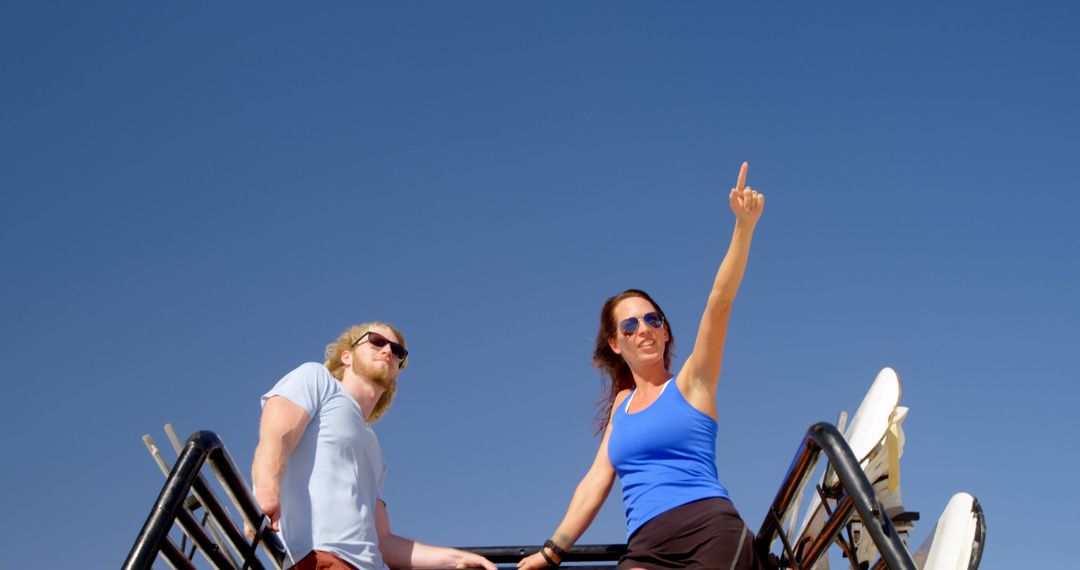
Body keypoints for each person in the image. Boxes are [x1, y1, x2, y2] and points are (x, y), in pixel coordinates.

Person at [517, 163, 765, 570]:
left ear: (666, 332)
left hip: (708, 529)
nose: (644, 330)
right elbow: (596, 482)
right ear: (615, 344)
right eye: (630, 325)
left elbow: (718, 304)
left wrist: (744, 227)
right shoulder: (621, 407)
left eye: (653, 320)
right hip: (647, 547)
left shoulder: (691, 382)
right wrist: (551, 551)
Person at [252, 322, 497, 570]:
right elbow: (277, 434)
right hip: (319, 558)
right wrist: (264, 490)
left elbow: (384, 541)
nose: (388, 351)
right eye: (376, 341)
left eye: (397, 351)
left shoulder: (375, 450)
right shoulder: (318, 380)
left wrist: (458, 558)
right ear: (346, 356)